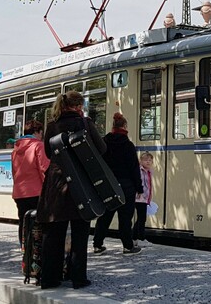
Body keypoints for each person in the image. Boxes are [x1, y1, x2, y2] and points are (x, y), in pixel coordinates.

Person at [36, 91, 106, 289]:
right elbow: (102, 149)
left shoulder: (52, 126)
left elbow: (49, 154)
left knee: (53, 234)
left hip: (57, 184)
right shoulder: (85, 124)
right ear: (79, 106)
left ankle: (49, 278)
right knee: (80, 233)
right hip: (80, 184)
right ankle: (78, 278)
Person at [92, 112, 143, 256]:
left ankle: (97, 244)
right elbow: (134, 168)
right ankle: (128, 247)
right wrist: (139, 187)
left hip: (108, 185)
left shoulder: (104, 142)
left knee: (105, 216)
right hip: (126, 185)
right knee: (125, 217)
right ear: (125, 126)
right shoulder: (128, 145)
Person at [11, 120, 49, 248]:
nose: (41, 136)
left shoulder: (15, 149)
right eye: (41, 133)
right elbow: (44, 169)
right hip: (36, 191)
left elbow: (14, 171)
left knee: (23, 221)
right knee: (38, 223)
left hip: (19, 192)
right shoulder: (38, 146)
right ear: (36, 132)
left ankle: (25, 249)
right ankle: (36, 251)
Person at [132, 152, 154, 247]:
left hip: (144, 198)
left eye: (150, 160)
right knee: (142, 218)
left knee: (141, 218)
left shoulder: (149, 171)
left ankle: (134, 238)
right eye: (146, 160)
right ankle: (140, 238)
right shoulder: (140, 171)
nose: (148, 162)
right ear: (140, 161)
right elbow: (140, 183)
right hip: (140, 197)